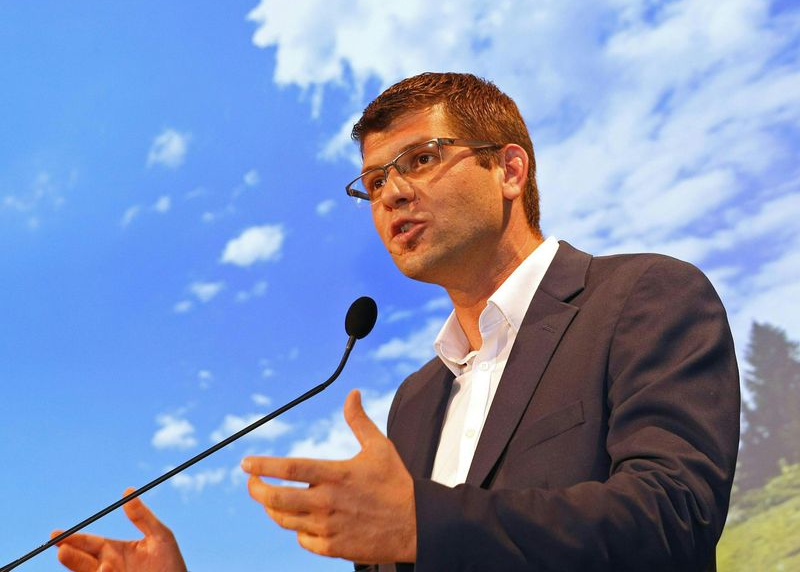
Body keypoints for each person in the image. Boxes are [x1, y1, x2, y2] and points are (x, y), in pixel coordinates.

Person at [52, 73, 740, 572]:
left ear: (508, 169)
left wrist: (425, 524)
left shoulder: (640, 297)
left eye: (421, 159)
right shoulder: (415, 402)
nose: (391, 194)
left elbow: (673, 517)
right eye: (375, 181)